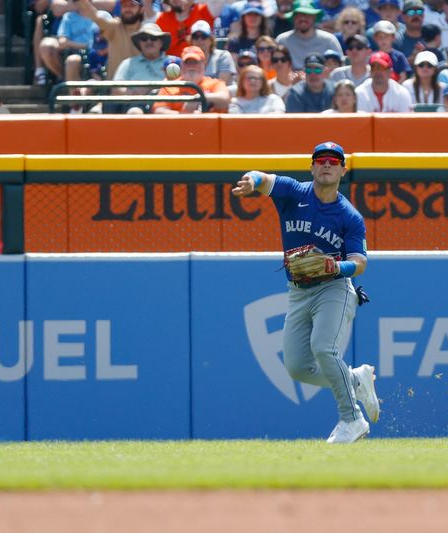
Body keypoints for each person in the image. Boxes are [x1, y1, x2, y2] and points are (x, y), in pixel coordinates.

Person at [231, 141, 379, 444]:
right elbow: (263, 178)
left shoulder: (349, 216)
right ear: (311, 167)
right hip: (298, 291)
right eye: (320, 160)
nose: (326, 164)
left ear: (342, 170)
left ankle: (352, 420)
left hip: (334, 288)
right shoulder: (293, 192)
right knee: (298, 367)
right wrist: (251, 180)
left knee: (324, 348)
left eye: (333, 160)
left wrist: (337, 268)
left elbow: (360, 263)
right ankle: (355, 380)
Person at [74, 0, 147, 80]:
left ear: (142, 8)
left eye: (132, 6)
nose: (127, 9)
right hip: (117, 86)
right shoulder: (114, 27)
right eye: (124, 6)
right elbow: (95, 16)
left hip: (143, 84)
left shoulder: (148, 31)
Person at [151, 45, 230, 113]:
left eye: (195, 62)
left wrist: (198, 98)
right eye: (188, 62)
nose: (191, 66)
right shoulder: (169, 87)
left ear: (204, 64)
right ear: (181, 65)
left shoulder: (215, 84)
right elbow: (159, 110)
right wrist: (186, 114)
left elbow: (225, 99)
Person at [113, 23, 172, 113]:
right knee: (135, 112)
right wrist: (132, 92)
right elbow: (116, 88)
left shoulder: (173, 62)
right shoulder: (128, 63)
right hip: (135, 104)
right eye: (144, 38)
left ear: (161, 42)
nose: (149, 42)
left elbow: (183, 84)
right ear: (139, 43)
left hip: (167, 104)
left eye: (153, 38)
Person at [276, 0, 343, 70]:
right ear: (293, 18)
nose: (303, 18)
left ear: (314, 17)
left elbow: (340, 68)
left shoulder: (329, 40)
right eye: (298, 15)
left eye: (307, 15)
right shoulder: (282, 40)